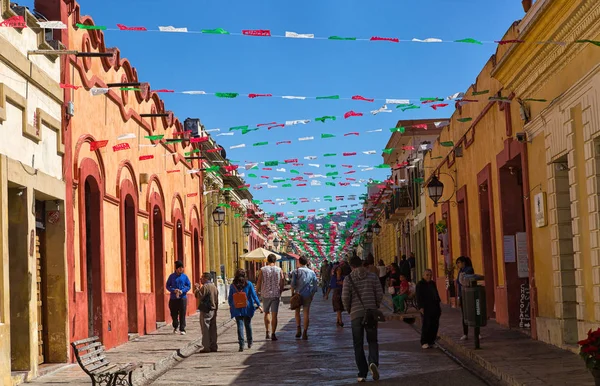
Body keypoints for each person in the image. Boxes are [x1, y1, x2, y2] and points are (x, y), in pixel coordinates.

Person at [342, 256, 383, 383]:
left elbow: (345, 297)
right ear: (361, 264)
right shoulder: (372, 276)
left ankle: (362, 373)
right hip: (370, 313)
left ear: (351, 266)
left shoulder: (348, 279)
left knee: (358, 344)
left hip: (356, 314)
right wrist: (374, 305)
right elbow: (380, 293)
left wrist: (350, 310)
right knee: (372, 341)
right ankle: (373, 362)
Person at [228, 269, 262, 352]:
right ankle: (250, 342)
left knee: (240, 326)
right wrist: (259, 305)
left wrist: (231, 305)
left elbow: (230, 298)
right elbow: (254, 296)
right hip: (247, 307)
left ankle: (241, 344)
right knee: (248, 324)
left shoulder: (233, 285)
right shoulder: (249, 284)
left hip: (237, 308)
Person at [256, 253, 285, 341]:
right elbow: (282, 281)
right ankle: (273, 333)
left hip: (265, 294)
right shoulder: (279, 269)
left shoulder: (263, 269)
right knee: (274, 315)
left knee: (266, 313)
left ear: (267, 260)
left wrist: (256, 292)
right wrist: (280, 291)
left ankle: (267, 331)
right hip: (275, 294)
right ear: (275, 260)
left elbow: (259, 281)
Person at [290, 256, 318, 340]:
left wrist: (292, 294)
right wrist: (312, 295)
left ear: (299, 262)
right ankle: (305, 332)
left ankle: (298, 329)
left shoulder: (296, 271)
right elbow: (315, 285)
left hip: (298, 294)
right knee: (306, 313)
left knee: (297, 312)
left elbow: (292, 284)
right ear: (307, 262)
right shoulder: (312, 272)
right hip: (307, 294)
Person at [416, 269, 441, 349]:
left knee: (435, 325)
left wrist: (438, 306)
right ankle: (424, 341)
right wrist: (420, 307)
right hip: (426, 308)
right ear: (423, 275)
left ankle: (431, 341)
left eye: (430, 275)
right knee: (427, 325)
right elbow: (418, 297)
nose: (429, 276)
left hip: (435, 307)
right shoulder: (420, 284)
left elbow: (436, 294)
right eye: (427, 275)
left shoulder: (432, 283)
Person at [194, 272, 219, 353]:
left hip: (206, 310)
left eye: (202, 277)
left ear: (206, 278)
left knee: (205, 328)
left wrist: (197, 289)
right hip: (213, 309)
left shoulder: (205, 287)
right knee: (213, 328)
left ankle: (206, 347)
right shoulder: (214, 286)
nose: (200, 279)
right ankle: (213, 345)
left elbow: (199, 296)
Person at [166, 261, 191, 335]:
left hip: (182, 297)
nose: (181, 269)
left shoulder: (185, 277)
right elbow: (167, 286)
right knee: (173, 313)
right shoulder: (171, 276)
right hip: (173, 298)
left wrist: (182, 291)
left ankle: (182, 328)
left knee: (182, 313)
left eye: (182, 268)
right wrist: (173, 290)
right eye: (180, 268)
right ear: (176, 269)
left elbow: (188, 286)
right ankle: (175, 326)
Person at [456, 256, 475, 341]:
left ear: (463, 262)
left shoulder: (469, 269)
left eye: (459, 263)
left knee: (472, 313)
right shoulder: (460, 271)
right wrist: (459, 297)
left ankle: (477, 333)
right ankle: (465, 333)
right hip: (462, 294)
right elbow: (459, 284)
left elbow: (464, 280)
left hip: (469, 294)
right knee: (464, 315)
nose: (458, 265)